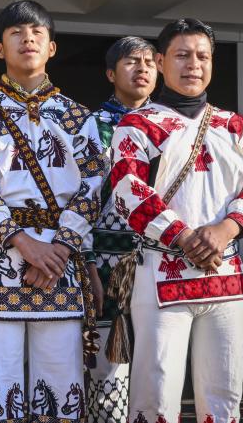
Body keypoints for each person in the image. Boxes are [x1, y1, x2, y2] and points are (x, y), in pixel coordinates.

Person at [0, 0, 106, 423]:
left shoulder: (78, 116)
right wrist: (25, 244)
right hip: (1, 252)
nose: (28, 39)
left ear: (52, 47)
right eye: (17, 32)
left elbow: (94, 184)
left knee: (60, 378)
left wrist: (60, 247)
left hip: (61, 258)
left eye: (38, 32)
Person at [108, 18, 243, 423]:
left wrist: (225, 230)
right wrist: (184, 236)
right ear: (161, 62)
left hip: (226, 275)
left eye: (202, 56)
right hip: (161, 273)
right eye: (182, 55)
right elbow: (128, 189)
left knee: (224, 392)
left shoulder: (236, 127)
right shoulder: (136, 124)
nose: (193, 64)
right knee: (156, 391)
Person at [87, 36, 157, 423]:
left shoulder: (170, 125)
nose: (142, 68)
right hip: (105, 261)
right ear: (111, 73)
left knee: (159, 365)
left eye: (149, 61)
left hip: (159, 259)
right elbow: (80, 200)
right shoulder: (92, 126)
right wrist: (87, 263)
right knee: (106, 370)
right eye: (132, 61)